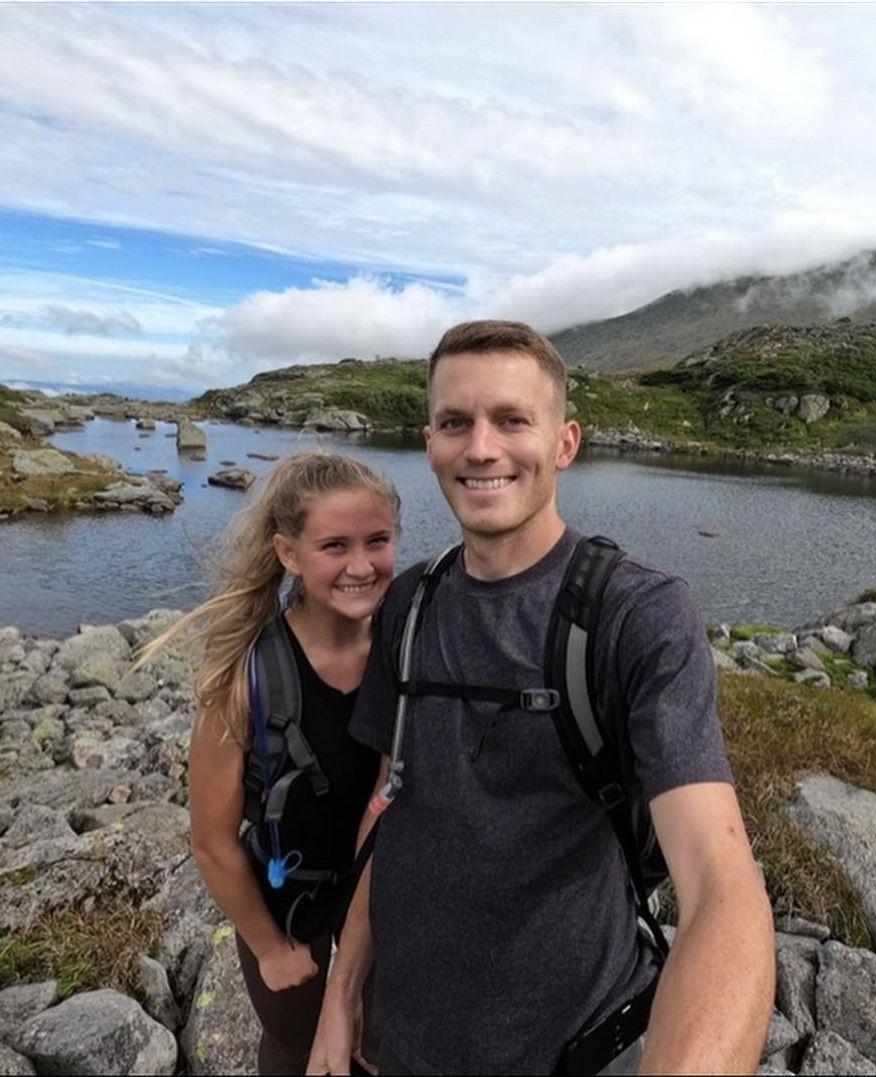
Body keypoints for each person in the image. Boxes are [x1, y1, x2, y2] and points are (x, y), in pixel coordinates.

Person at [309, 322, 775, 1075]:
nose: (481, 447)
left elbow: (721, 885)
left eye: (512, 419)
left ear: (565, 443)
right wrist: (342, 993)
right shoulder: (409, 602)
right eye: (456, 422)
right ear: (429, 442)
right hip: (401, 1045)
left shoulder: (636, 615)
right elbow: (386, 804)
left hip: (578, 1050)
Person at [143, 452, 398, 1076]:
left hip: (386, 892)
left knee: (380, 1048)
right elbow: (211, 841)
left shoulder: (409, 647)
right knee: (296, 1050)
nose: (361, 566)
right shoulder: (246, 677)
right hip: (289, 904)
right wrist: (268, 946)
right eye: (334, 546)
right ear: (288, 553)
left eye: (378, 541)